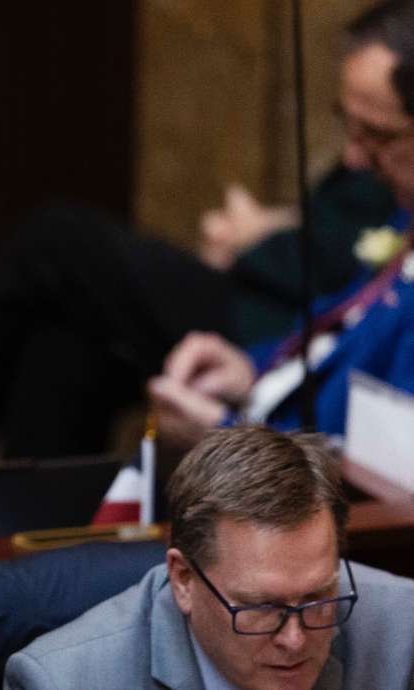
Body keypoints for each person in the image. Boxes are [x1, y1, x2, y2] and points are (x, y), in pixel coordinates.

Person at [150, 0, 414, 454]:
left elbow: (388, 467)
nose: (354, 157)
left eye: (378, 134)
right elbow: (339, 333)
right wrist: (248, 371)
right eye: (348, 125)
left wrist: (227, 438)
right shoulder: (403, 218)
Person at [4, 425, 414, 690]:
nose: (294, 640)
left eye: (316, 598)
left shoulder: (403, 628)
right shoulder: (62, 682)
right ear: (183, 579)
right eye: (263, 607)